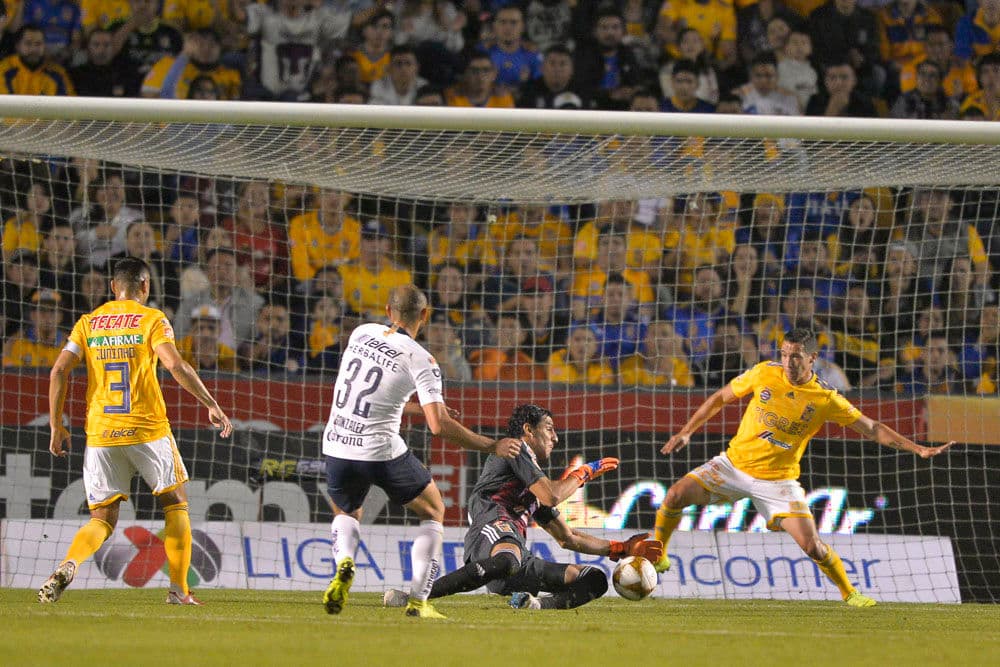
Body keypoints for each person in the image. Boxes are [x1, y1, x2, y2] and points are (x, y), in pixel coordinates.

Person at [651, 327, 954, 607]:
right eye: (783, 353)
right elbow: (720, 397)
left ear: (812, 357)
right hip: (732, 465)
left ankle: (850, 593)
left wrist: (917, 448)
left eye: (795, 356)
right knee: (675, 495)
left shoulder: (825, 398)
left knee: (812, 546)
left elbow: (872, 427)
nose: (787, 361)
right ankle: (659, 553)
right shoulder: (763, 373)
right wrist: (687, 431)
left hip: (778, 482)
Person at [38, 257, 233, 605]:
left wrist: (56, 424)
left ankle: (70, 562)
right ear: (145, 287)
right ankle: (178, 590)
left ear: (113, 287)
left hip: (100, 433)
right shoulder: (152, 319)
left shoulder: (88, 323)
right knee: (175, 503)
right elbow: (175, 364)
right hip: (147, 429)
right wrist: (210, 402)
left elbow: (57, 372)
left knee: (102, 518)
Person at [321, 284, 522, 619]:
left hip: (338, 443)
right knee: (433, 510)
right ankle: (418, 600)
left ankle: (344, 564)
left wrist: (415, 410)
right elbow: (439, 427)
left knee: (346, 512)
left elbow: (367, 396)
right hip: (379, 449)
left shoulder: (360, 333)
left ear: (388, 310)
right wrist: (492, 444)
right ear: (425, 316)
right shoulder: (421, 358)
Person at [382, 403, 659, 611]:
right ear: (528, 430)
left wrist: (617, 548)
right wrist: (584, 472)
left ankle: (534, 605)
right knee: (509, 558)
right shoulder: (516, 449)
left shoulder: (532, 484)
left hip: (514, 558)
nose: (556, 438)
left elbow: (568, 538)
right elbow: (552, 495)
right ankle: (415, 597)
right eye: (549, 429)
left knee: (594, 578)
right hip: (491, 530)